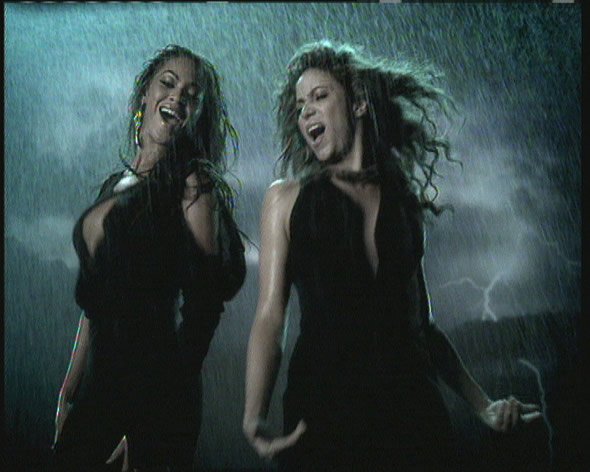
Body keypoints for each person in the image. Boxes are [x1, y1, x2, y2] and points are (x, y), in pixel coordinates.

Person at [243, 40, 541, 471]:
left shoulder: (403, 203)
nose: (306, 112)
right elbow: (271, 315)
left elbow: (421, 326)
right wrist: (254, 414)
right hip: (324, 420)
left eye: (319, 96)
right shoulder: (285, 200)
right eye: (299, 105)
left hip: (412, 418)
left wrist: (483, 405)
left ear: (359, 102)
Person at [52, 44, 246, 471]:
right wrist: (68, 392)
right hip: (101, 390)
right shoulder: (114, 185)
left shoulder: (192, 187)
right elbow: (95, 306)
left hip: (156, 396)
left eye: (191, 95)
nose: (177, 97)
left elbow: (202, 311)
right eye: (168, 84)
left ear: (198, 114)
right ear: (145, 93)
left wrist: (148, 417)